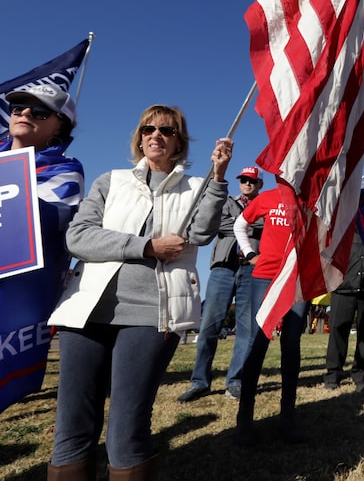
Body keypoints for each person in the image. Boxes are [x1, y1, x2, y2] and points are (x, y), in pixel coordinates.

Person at [46, 104, 232, 479]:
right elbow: (79, 237)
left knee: (127, 425)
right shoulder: (110, 181)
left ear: (179, 141)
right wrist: (147, 247)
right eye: (148, 128)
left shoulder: (196, 188)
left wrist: (218, 178)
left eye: (167, 130)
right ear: (139, 136)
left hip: (152, 313)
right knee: (72, 423)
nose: (156, 135)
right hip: (86, 312)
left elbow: (200, 234)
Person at [0, 85, 84, 411]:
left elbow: (53, 220)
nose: (24, 114)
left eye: (39, 111)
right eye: (19, 107)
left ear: (59, 125)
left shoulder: (65, 169)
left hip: (16, 300)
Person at [177, 166, 265, 403]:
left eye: (252, 181)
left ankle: (235, 381)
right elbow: (216, 225)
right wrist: (246, 223)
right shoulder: (226, 202)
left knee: (246, 329)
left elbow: (266, 228)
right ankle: (200, 382)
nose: (247, 184)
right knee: (209, 326)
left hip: (252, 269)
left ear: (259, 185)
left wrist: (238, 222)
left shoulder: (265, 205)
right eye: (244, 180)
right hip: (223, 268)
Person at [232, 175, 308, 445]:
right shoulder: (267, 198)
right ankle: (244, 419)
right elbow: (240, 224)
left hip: (296, 279)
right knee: (257, 341)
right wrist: (250, 254)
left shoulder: (312, 200)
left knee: (291, 343)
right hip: (263, 277)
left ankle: (287, 418)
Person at [323, 231, 364, 391]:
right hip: (343, 287)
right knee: (337, 331)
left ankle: (361, 374)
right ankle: (333, 374)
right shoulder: (343, 225)